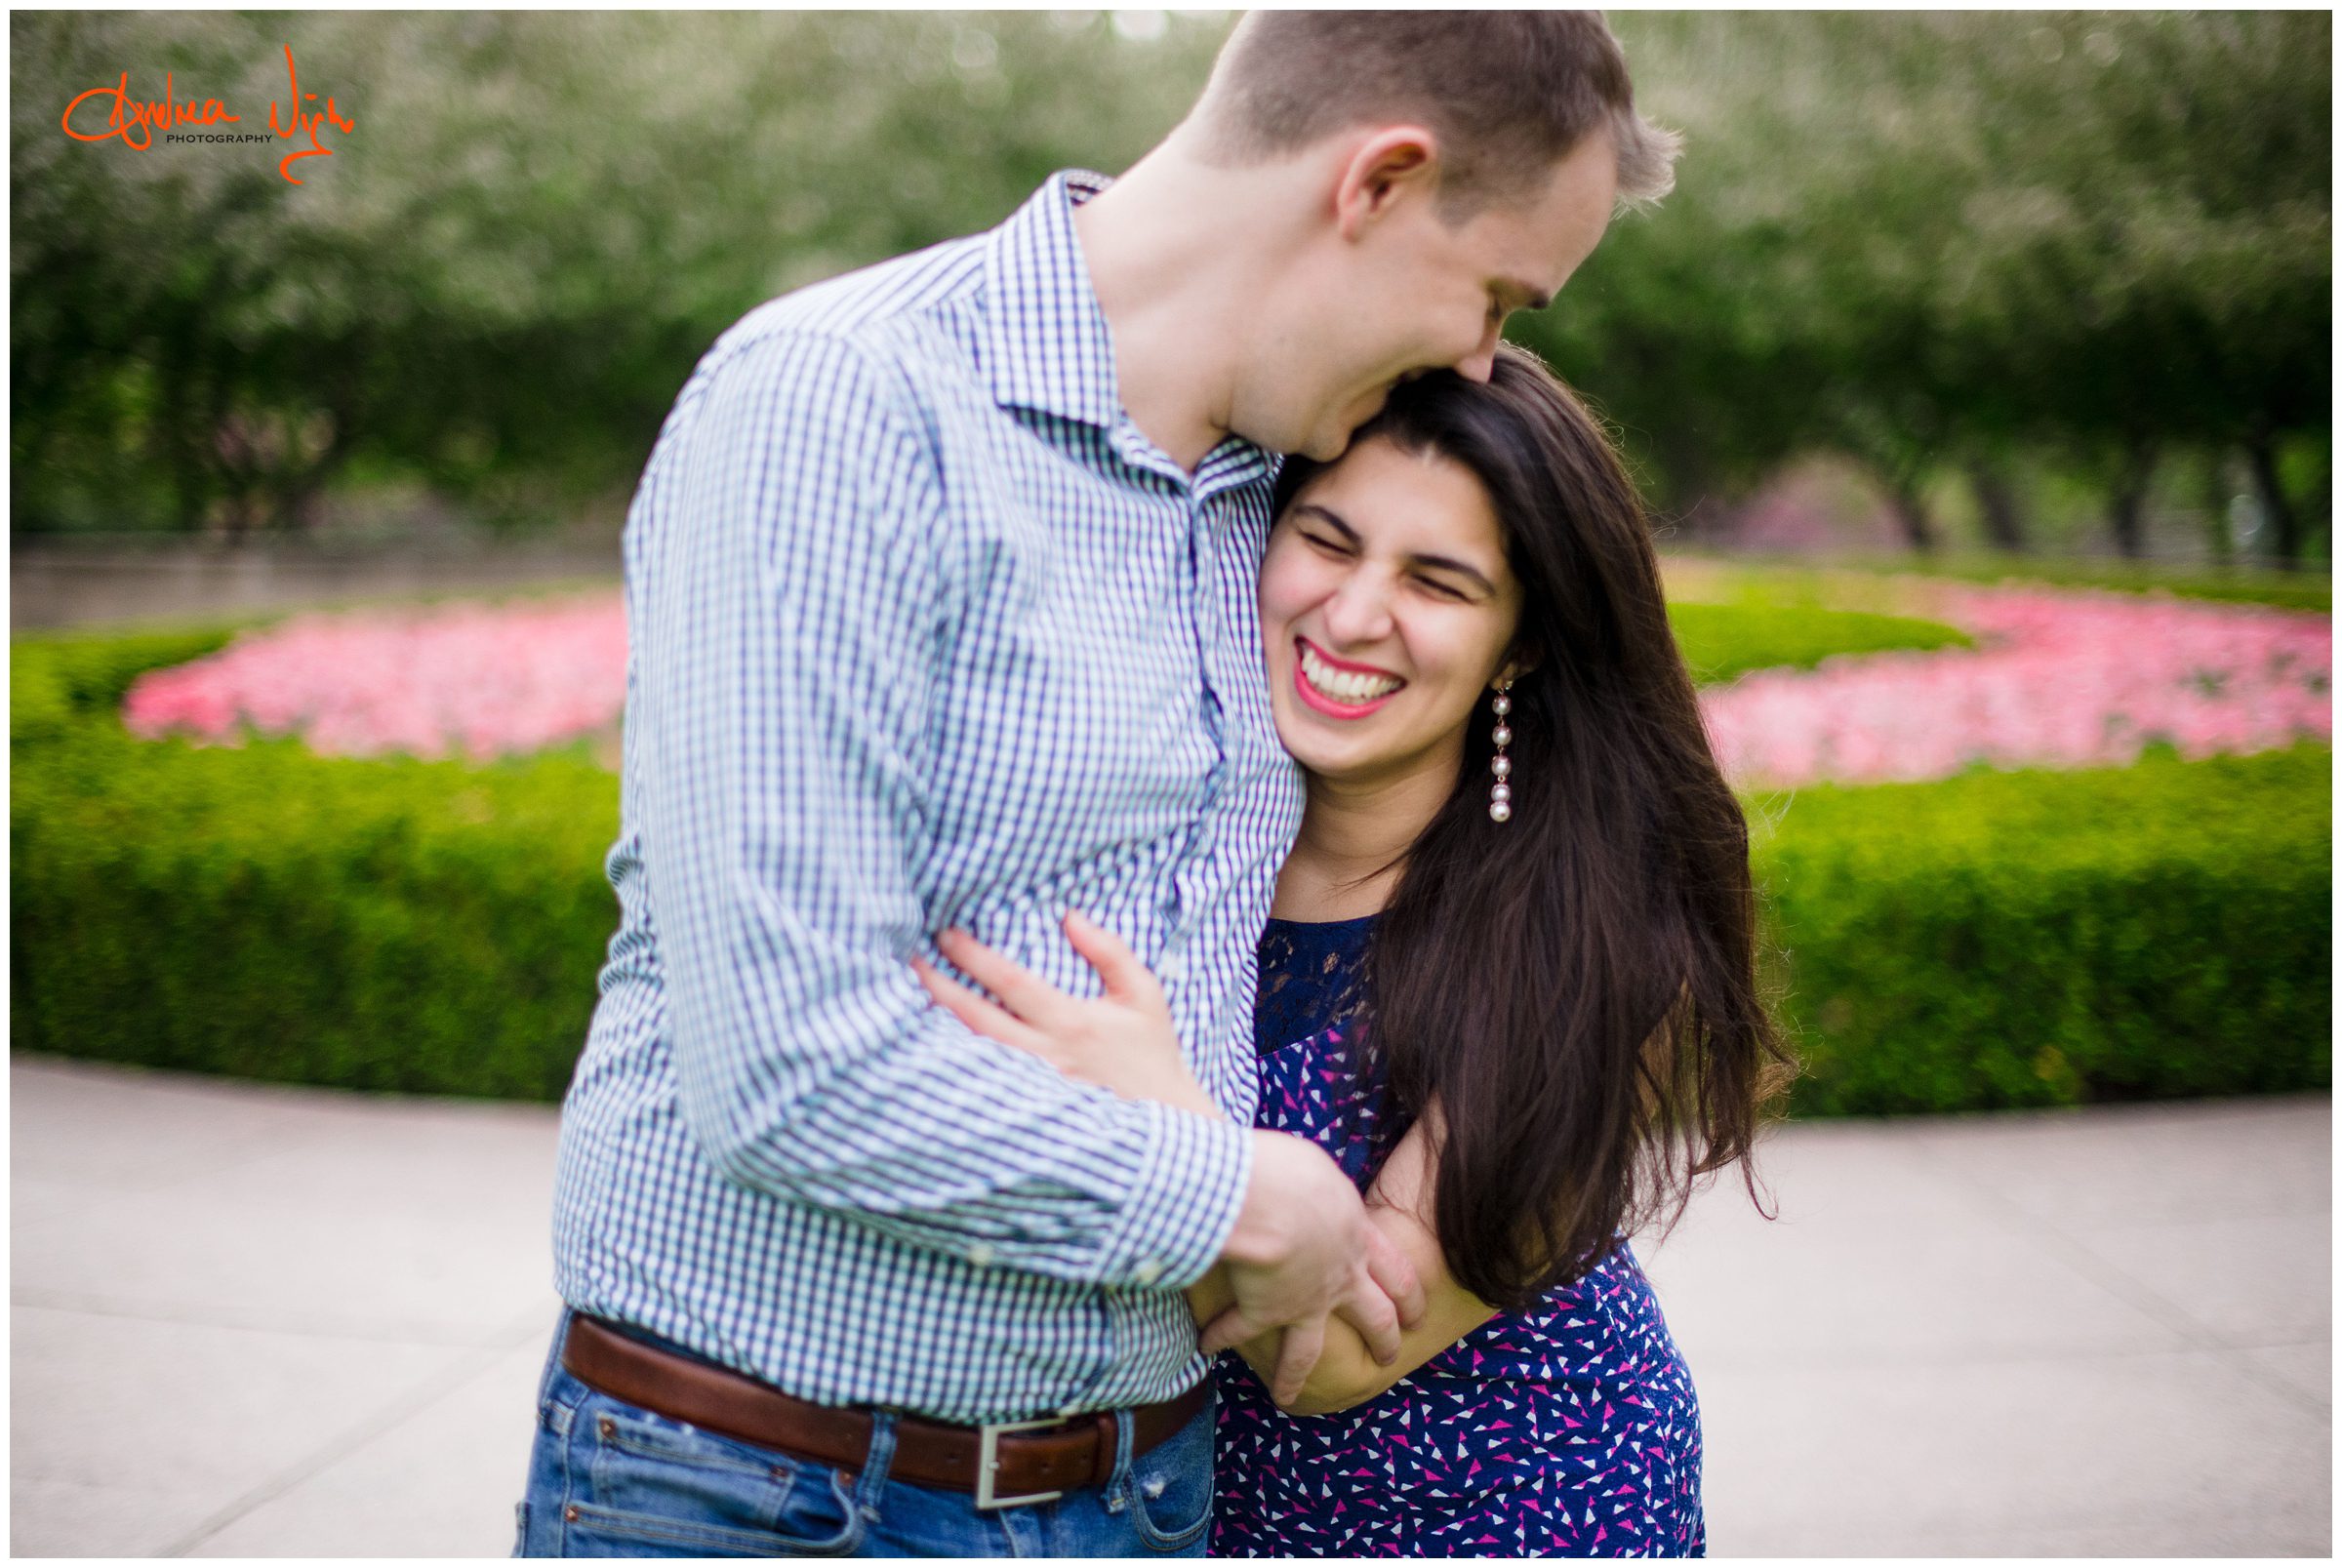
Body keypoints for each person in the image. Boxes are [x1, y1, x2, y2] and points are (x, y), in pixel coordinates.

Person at [520, 11, 1675, 1558]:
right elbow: (788, 1064)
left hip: (1145, 1497)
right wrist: (1250, 1195)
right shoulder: (846, 404)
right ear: (1379, 183)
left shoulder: (1274, 492)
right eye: (1496, 299)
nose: (1484, 362)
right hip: (779, 1485)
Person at [918, 344, 1795, 1554]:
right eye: (1327, 541)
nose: (1354, 612)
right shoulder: (1182, 837)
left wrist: (1158, 1113)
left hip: (1507, 1516)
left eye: (1437, 581)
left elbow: (1327, 1356)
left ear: (1524, 643)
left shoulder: (1586, 935)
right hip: (1199, 1517)